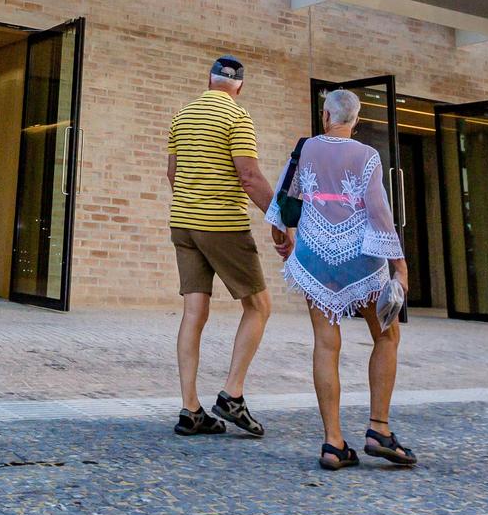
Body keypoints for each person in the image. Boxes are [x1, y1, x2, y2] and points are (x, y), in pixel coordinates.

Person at [268, 87, 415, 469]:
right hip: (361, 259)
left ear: (325, 116)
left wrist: (284, 235)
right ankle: (378, 429)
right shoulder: (367, 156)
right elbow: (379, 212)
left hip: (315, 257)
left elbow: (286, 198)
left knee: (325, 343)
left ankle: (333, 443)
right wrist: (400, 266)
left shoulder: (306, 149)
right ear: (356, 120)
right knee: (386, 335)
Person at [167, 56, 276, 438]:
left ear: (208, 81)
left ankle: (190, 409)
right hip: (223, 226)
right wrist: (279, 219)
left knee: (194, 311)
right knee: (259, 305)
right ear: (239, 87)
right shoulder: (238, 117)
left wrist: (191, 205)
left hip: (183, 225)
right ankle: (232, 394)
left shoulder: (182, 115)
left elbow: (172, 173)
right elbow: (248, 175)